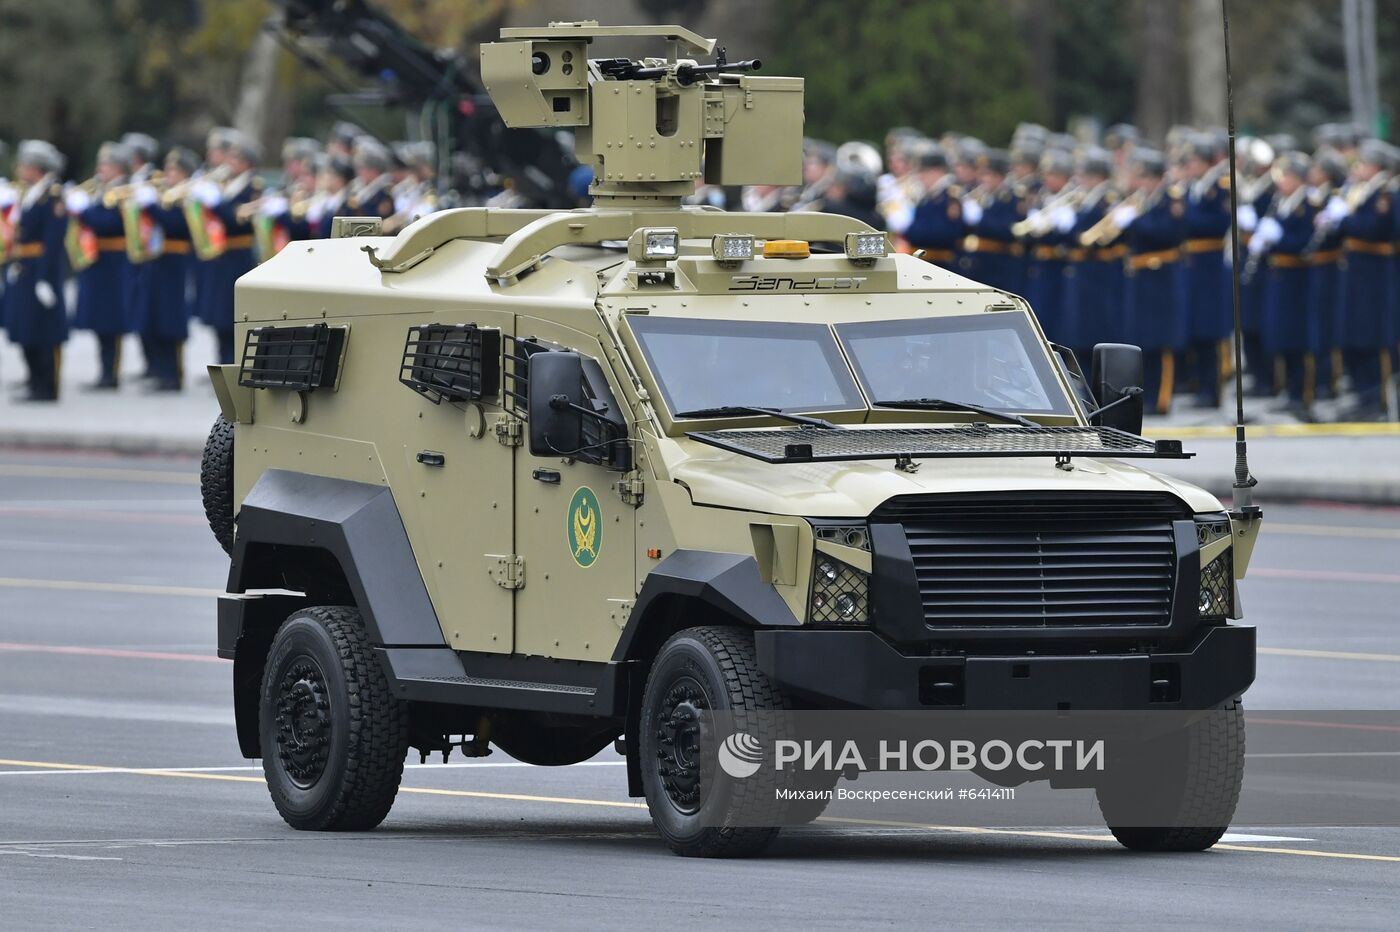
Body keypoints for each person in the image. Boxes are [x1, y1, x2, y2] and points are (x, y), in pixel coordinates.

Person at [1117, 148, 1187, 415]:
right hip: (1141, 277)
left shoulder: (1170, 200)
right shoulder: (1142, 200)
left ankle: (1162, 398)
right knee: (1143, 339)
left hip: (1162, 277)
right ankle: (1145, 396)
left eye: (1144, 177)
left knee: (1161, 340)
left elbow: (1168, 233)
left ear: (1156, 177)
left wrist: (1135, 223)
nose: (1139, 182)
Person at [1332, 141, 1395, 419]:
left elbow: (1375, 229)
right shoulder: (1363, 192)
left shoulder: (1383, 194)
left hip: (1375, 273)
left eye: (1364, 163)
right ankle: (1361, 394)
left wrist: (1345, 220)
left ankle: (1375, 398)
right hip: (1358, 272)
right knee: (1355, 332)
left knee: (1372, 334)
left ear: (1377, 166)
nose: (1358, 168)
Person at [1253, 152, 1317, 416]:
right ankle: (1287, 389)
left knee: (1298, 337)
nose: (1281, 182)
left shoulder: (1308, 203)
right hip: (1279, 276)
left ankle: (1302, 392)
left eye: (1287, 176)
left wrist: (1279, 239)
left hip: (1298, 278)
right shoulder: (1281, 201)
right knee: (1282, 335)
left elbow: (1305, 242)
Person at [6, 141, 69, 401]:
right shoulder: (29, 194)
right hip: (25, 268)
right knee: (26, 328)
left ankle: (47, 387)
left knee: (45, 330)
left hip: (44, 270)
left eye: (25, 164)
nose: (20, 169)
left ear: (36, 168)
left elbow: (52, 243)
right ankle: (33, 381)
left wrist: (44, 278)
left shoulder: (52, 196)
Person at [67, 141, 134, 389]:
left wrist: (82, 211)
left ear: (119, 168)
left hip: (115, 264)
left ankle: (111, 374)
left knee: (112, 322)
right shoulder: (101, 190)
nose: (100, 170)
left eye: (106, 165)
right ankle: (103, 372)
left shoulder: (123, 191)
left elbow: (108, 224)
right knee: (99, 322)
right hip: (98, 263)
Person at [192, 132, 262, 364]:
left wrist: (217, 203)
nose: (229, 163)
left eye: (235, 159)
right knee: (219, 316)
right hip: (221, 255)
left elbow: (236, 218)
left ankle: (235, 363)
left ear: (246, 163)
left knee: (233, 315)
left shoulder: (253, 186)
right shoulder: (227, 184)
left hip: (239, 256)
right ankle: (222, 363)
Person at [1178, 132, 1231, 408]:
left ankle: (1213, 389)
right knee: (1196, 327)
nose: (1190, 166)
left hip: (1210, 263)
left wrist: (1186, 217)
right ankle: (1199, 385)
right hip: (1193, 265)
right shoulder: (1192, 187)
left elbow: (1218, 222)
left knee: (1211, 329)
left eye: (1194, 161)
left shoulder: (1220, 186)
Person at [140, 147, 199, 392]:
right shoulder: (166, 194)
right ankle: (160, 371)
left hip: (176, 260)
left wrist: (152, 207)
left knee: (171, 319)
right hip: (158, 260)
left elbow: (177, 225)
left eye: (174, 170)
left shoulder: (188, 196)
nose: (168, 174)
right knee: (155, 317)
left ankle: (173, 375)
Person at [1061, 146, 1124, 362]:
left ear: (1096, 175)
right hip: (1084, 272)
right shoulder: (1087, 198)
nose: (1079, 178)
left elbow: (1101, 237)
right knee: (1081, 329)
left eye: (1084, 173)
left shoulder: (1106, 199)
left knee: (1095, 330)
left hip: (1098, 272)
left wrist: (1075, 229)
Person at [1021, 147, 1076, 342]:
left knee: (1058, 320)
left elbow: (1074, 237)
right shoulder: (1041, 197)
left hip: (1060, 266)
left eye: (1054, 174)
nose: (1048, 179)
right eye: (1047, 174)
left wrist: (1060, 228)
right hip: (1039, 266)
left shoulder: (1073, 199)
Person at [958, 148, 1025, 294]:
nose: (983, 179)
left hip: (998, 264)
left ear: (999, 177)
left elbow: (1007, 230)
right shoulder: (981, 196)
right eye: (982, 174)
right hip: (977, 262)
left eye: (988, 175)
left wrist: (980, 218)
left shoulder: (1011, 199)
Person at [895, 143, 963, 272]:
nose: (919, 177)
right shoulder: (925, 196)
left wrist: (910, 232)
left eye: (924, 172)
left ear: (938, 171)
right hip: (922, 263)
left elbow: (943, 234)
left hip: (942, 265)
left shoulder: (950, 197)